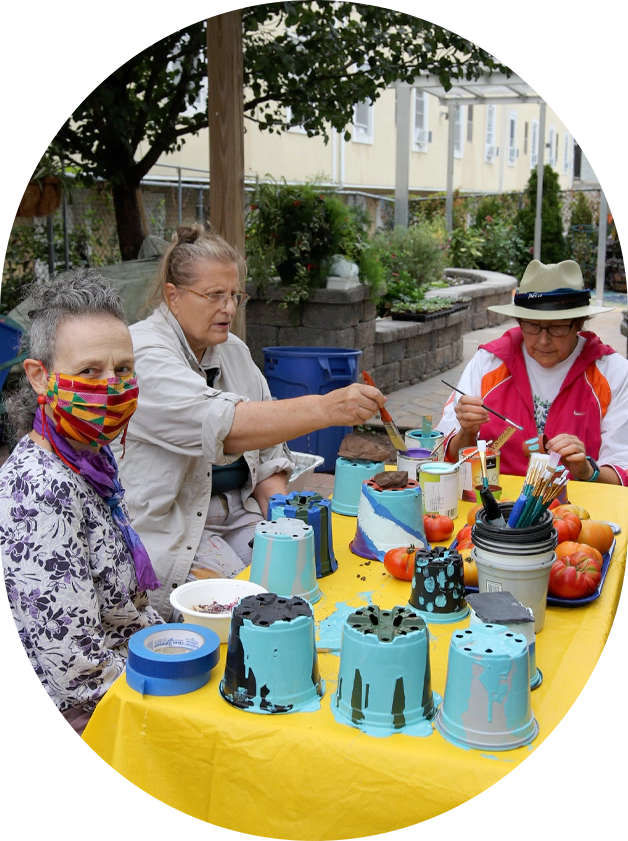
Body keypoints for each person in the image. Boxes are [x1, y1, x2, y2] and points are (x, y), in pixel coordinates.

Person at [116, 224, 385, 620]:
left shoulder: (233, 352)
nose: (227, 309)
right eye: (214, 296)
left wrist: (278, 518)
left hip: (240, 515)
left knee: (309, 583)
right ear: (173, 296)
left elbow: (271, 453)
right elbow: (224, 424)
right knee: (260, 612)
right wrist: (326, 409)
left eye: (234, 296)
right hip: (178, 531)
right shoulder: (141, 353)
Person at [0, 270, 163, 737]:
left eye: (124, 369)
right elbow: (75, 668)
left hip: (127, 666)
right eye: (89, 371)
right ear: (39, 377)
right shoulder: (38, 489)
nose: (112, 387)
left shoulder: (90, 456)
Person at [437, 259, 628, 485]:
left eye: (557, 327)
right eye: (532, 325)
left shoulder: (613, 372)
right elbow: (444, 455)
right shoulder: (489, 362)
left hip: (575, 511)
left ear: (579, 323)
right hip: (492, 505)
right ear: (519, 320)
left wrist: (587, 471)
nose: (544, 340)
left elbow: (621, 474)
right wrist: (467, 433)